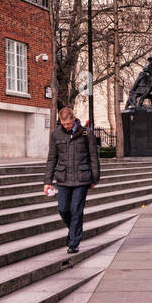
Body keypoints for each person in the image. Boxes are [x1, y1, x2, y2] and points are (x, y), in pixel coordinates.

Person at [43, 105, 101, 255]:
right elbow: (52, 158)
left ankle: (74, 243)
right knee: (63, 209)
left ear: (74, 119)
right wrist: (47, 182)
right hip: (63, 179)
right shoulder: (56, 134)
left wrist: (95, 178)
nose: (66, 127)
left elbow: (94, 157)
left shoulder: (86, 134)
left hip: (82, 179)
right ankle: (74, 231)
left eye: (68, 124)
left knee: (76, 210)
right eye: (63, 124)